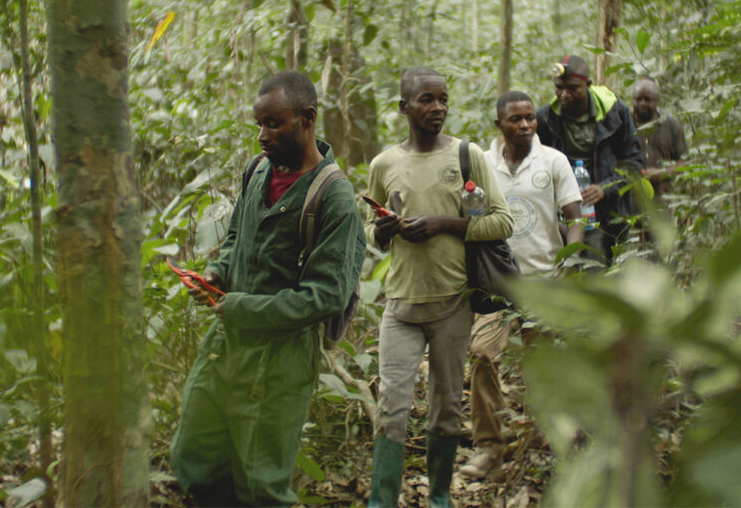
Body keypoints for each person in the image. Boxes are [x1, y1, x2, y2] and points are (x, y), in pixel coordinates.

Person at [170, 70, 366, 507]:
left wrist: (243, 308)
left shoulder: (332, 198)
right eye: (258, 124)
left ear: (307, 119)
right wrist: (218, 274)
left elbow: (326, 296)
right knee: (194, 458)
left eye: (273, 124)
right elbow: (239, 235)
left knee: (262, 485)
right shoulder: (258, 170)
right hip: (225, 348)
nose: (262, 135)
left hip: (279, 364)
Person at [364, 67, 513, 508]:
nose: (438, 108)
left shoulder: (468, 156)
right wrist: (387, 229)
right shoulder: (384, 164)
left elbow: (501, 221)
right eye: (427, 100)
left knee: (447, 407)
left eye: (443, 99)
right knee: (391, 406)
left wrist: (442, 224)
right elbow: (373, 232)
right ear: (404, 108)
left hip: (452, 304)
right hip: (401, 305)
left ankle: (440, 497)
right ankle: (381, 500)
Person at [460, 91, 585, 479]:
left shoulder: (553, 161)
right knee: (482, 355)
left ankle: (545, 437)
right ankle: (489, 448)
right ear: (499, 123)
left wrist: (570, 261)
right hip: (496, 283)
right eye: (516, 119)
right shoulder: (480, 162)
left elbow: (575, 216)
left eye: (531, 118)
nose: (526, 125)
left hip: (543, 281)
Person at [535, 55, 643, 265]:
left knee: (603, 268)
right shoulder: (546, 118)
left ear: (588, 85)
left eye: (573, 88)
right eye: (559, 88)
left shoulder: (615, 113)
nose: (564, 95)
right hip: (563, 213)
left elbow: (632, 163)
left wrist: (604, 188)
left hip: (608, 214)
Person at [631, 76, 687, 196]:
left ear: (656, 101)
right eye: (638, 99)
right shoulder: (624, 125)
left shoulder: (671, 126)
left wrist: (662, 173)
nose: (643, 104)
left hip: (663, 198)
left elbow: (685, 163)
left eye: (648, 100)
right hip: (631, 200)